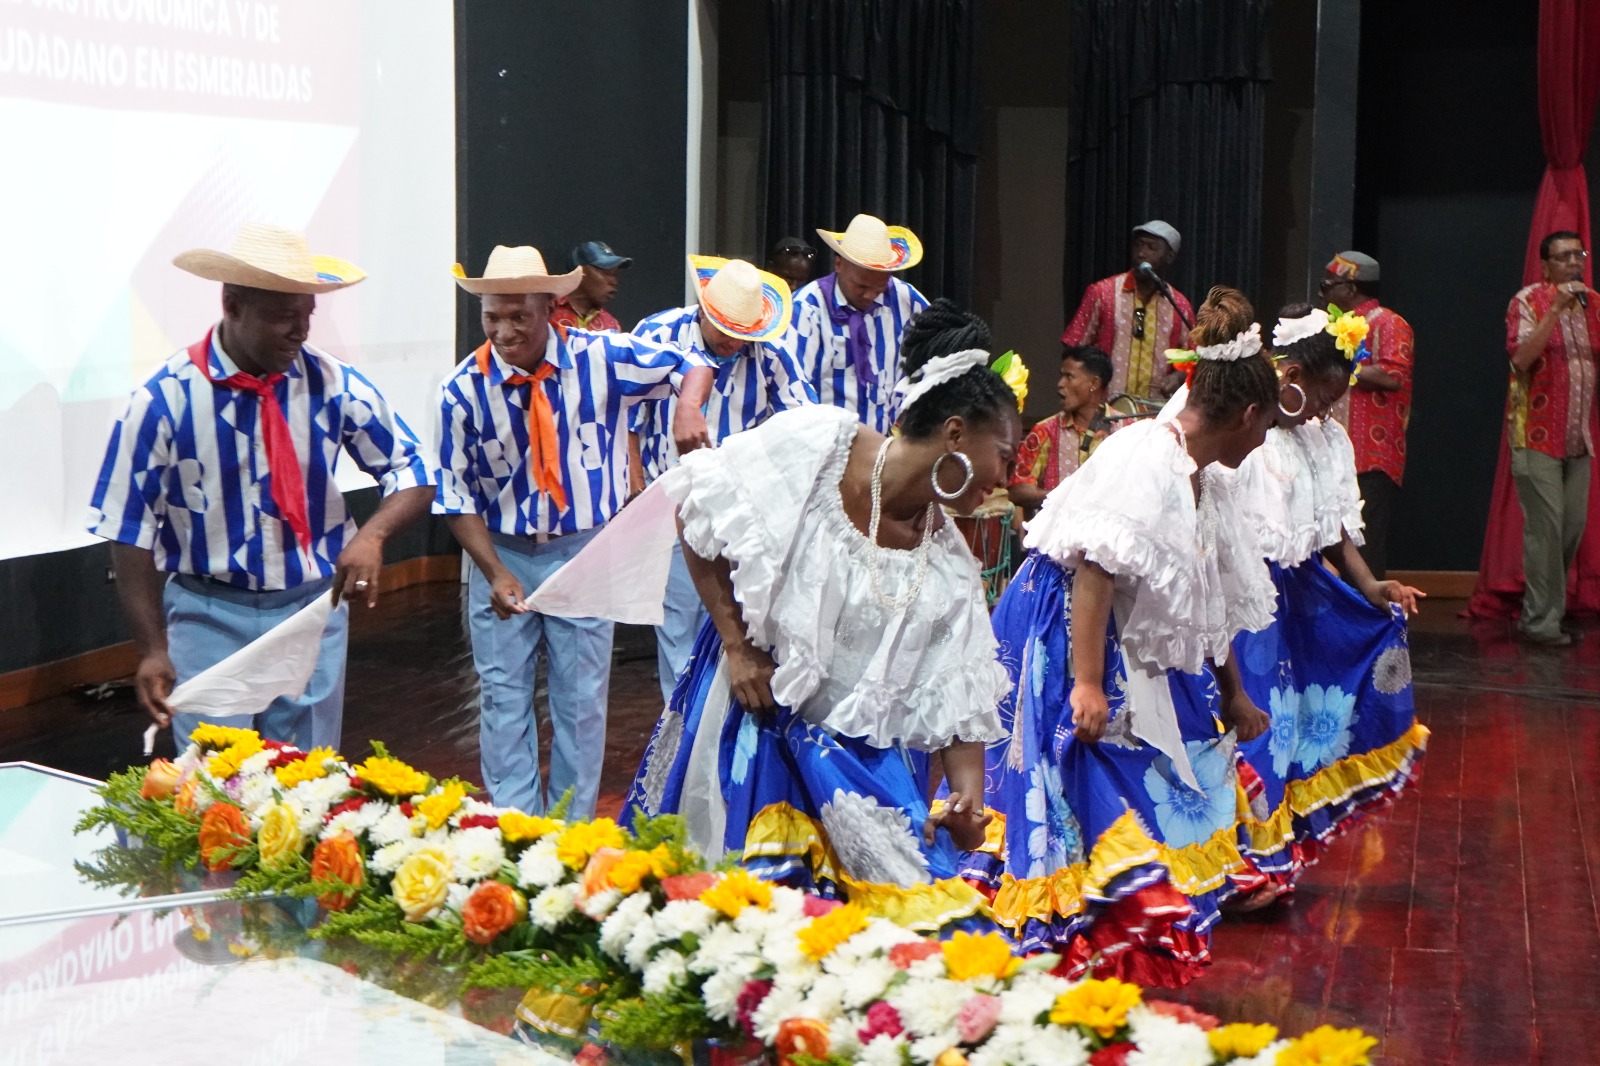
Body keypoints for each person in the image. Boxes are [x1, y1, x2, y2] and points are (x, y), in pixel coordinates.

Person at [623, 303, 1022, 930]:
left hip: (852, 770)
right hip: (753, 721)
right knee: (732, 919)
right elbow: (697, 508)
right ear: (954, 434)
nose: (1010, 475)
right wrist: (736, 644)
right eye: (1005, 453)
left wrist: (967, 797)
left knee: (861, 941)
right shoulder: (819, 444)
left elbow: (958, 699)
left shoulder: (949, 568)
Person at [973, 286, 1279, 986]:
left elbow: (1210, 597)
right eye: (1265, 428)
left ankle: (1112, 928)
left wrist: (1233, 691)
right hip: (1068, 625)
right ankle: (1066, 930)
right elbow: (1094, 572)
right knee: (1078, 759)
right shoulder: (1146, 458)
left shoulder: (1209, 479)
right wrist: (1084, 680)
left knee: (1143, 766)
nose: (1264, 442)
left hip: (1122, 633)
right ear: (1249, 414)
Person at [87, 223, 436, 752]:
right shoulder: (163, 399)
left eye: (307, 316)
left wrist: (373, 536)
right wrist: (153, 648)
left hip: (312, 610)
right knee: (214, 788)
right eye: (283, 317)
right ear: (232, 305)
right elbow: (127, 527)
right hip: (208, 614)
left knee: (308, 784)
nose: (300, 331)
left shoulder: (332, 382)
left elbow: (411, 469)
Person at [435, 244, 715, 817]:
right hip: (501, 553)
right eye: (492, 316)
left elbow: (693, 364)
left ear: (551, 306)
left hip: (586, 552)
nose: (505, 330)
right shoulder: (461, 390)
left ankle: (569, 831)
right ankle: (515, 827)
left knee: (581, 702)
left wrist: (688, 408)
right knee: (503, 699)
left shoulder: (603, 356)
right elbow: (454, 493)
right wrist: (493, 571)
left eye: (520, 315)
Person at [1224, 304, 1428, 904]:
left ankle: (1267, 851)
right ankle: (1244, 862)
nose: (1324, 410)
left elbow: (1337, 527)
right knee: (1251, 720)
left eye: (1335, 398)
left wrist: (1370, 587)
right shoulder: (1247, 432)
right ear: (1288, 374)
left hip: (1301, 594)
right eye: (1319, 394)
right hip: (1247, 595)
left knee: (1285, 726)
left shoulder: (1328, 438)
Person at [631, 256, 817, 703]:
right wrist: (634, 483)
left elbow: (805, 424)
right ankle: (682, 728)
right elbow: (626, 415)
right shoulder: (657, 335)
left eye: (744, 331)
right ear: (703, 310)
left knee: (742, 623)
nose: (735, 340)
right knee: (679, 621)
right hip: (672, 500)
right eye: (726, 329)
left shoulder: (771, 352)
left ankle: (724, 726)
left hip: (745, 512)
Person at [1500, 231, 1600, 646]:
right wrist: (1555, 310)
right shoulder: (1527, 301)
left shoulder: (1593, 304)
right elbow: (1521, 359)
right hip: (1536, 435)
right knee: (1546, 528)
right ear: (1545, 265)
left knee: (1571, 526)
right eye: (1563, 257)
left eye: (1579, 255)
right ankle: (1540, 621)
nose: (1574, 263)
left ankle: (1544, 609)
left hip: (1578, 437)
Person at [1320, 251, 1415, 580]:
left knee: (1365, 544)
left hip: (1371, 455)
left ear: (1349, 288)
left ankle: (1364, 624)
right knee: (1327, 540)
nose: (1322, 293)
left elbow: (1393, 375)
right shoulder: (1330, 326)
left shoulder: (1390, 322)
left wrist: (1338, 368)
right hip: (1330, 452)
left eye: (1327, 285)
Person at [790, 213, 928, 434]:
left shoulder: (908, 301)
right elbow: (793, 395)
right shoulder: (806, 310)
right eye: (861, 286)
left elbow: (935, 360)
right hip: (824, 451)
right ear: (839, 264)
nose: (870, 295)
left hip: (888, 447)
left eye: (879, 287)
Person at [1062, 220, 1192, 402]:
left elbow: (1193, 358)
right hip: (1105, 410)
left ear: (1169, 257)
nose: (1141, 253)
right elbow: (1074, 347)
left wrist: (1176, 377)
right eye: (1138, 245)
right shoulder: (1102, 293)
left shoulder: (1179, 305)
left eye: (1151, 248)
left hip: (1152, 414)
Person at [1007, 345, 1116, 517]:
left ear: (1094, 384)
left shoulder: (1127, 428)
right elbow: (1018, 490)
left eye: (1069, 377)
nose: (1060, 384)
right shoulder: (1044, 431)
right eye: (1062, 376)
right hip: (1058, 541)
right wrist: (1063, 496)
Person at [550, 240, 632, 333]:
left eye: (615, 274)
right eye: (606, 272)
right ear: (580, 271)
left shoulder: (611, 326)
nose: (614, 281)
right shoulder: (547, 312)